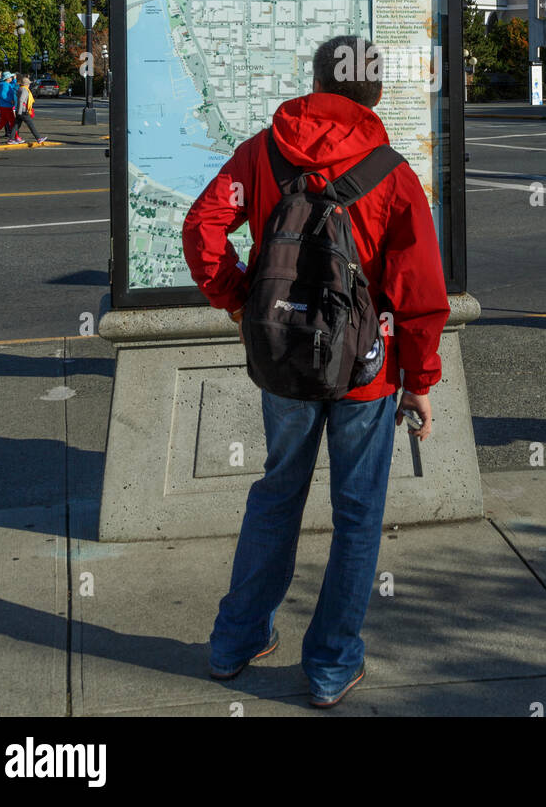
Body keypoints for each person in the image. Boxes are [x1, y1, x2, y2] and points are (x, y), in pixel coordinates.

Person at [181, 35, 450, 708]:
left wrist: (238, 298)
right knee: (357, 515)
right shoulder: (391, 172)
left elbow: (201, 228)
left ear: (316, 81)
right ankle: (330, 665)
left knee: (277, 494)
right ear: (376, 92)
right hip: (364, 371)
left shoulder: (262, 151)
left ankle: (236, 640)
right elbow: (419, 290)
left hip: (281, 360)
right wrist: (419, 379)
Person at [13, 75, 47, 145]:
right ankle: (38, 138)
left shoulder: (20, 88)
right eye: (29, 84)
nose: (29, 85)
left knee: (16, 125)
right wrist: (19, 111)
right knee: (31, 125)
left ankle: (10, 139)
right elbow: (21, 100)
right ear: (26, 84)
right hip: (23, 111)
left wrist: (18, 111)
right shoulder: (25, 90)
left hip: (20, 111)